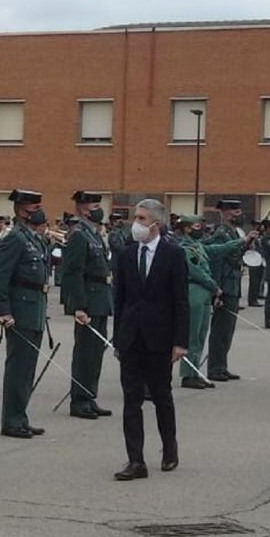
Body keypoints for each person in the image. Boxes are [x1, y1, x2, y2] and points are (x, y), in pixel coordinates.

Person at [111, 199, 188, 481]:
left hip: (160, 338)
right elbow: (119, 299)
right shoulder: (126, 254)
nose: (137, 224)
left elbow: (181, 301)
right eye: (136, 217)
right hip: (131, 338)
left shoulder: (173, 255)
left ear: (155, 224)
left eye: (142, 219)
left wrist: (180, 341)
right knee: (131, 400)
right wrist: (118, 338)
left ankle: (169, 449)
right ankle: (136, 461)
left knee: (161, 396)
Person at [0, 190, 51, 438]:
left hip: (34, 309)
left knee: (27, 369)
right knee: (18, 368)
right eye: (33, 207)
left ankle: (20, 416)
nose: (37, 211)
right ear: (22, 210)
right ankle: (12, 421)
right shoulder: (15, 238)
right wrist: (3, 310)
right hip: (20, 309)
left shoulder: (31, 238)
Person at [59, 192, 114, 419]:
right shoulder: (79, 235)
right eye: (94, 205)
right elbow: (73, 273)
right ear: (83, 210)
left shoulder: (94, 234)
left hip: (100, 299)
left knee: (95, 353)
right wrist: (78, 306)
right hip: (88, 301)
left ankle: (89, 396)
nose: (99, 209)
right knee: (85, 352)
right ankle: (79, 401)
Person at [178, 215, 241, 388]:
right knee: (192, 335)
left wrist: (241, 242)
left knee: (201, 335)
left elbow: (218, 249)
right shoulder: (184, 248)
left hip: (204, 293)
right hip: (194, 291)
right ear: (186, 228)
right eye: (197, 226)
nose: (202, 229)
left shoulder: (198, 245)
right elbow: (196, 271)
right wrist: (215, 287)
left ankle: (195, 371)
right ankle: (187, 374)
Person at [205, 198, 247, 381]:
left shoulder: (233, 233)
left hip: (233, 284)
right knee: (220, 330)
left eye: (238, 210)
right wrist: (217, 290)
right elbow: (219, 261)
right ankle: (215, 368)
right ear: (224, 213)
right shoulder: (222, 234)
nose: (238, 214)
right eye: (234, 211)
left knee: (228, 330)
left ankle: (222, 365)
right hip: (225, 285)